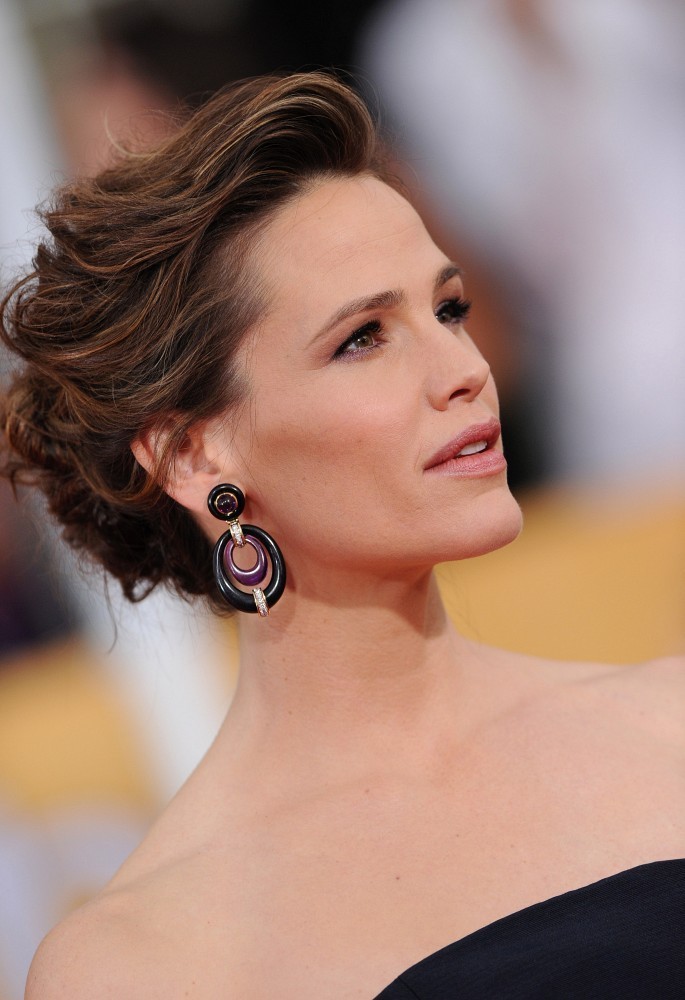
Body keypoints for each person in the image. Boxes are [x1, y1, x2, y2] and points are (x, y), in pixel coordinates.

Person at [1, 73, 682, 1000]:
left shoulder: (670, 722)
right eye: (362, 337)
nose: (462, 369)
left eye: (448, 309)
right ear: (192, 455)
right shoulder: (138, 964)